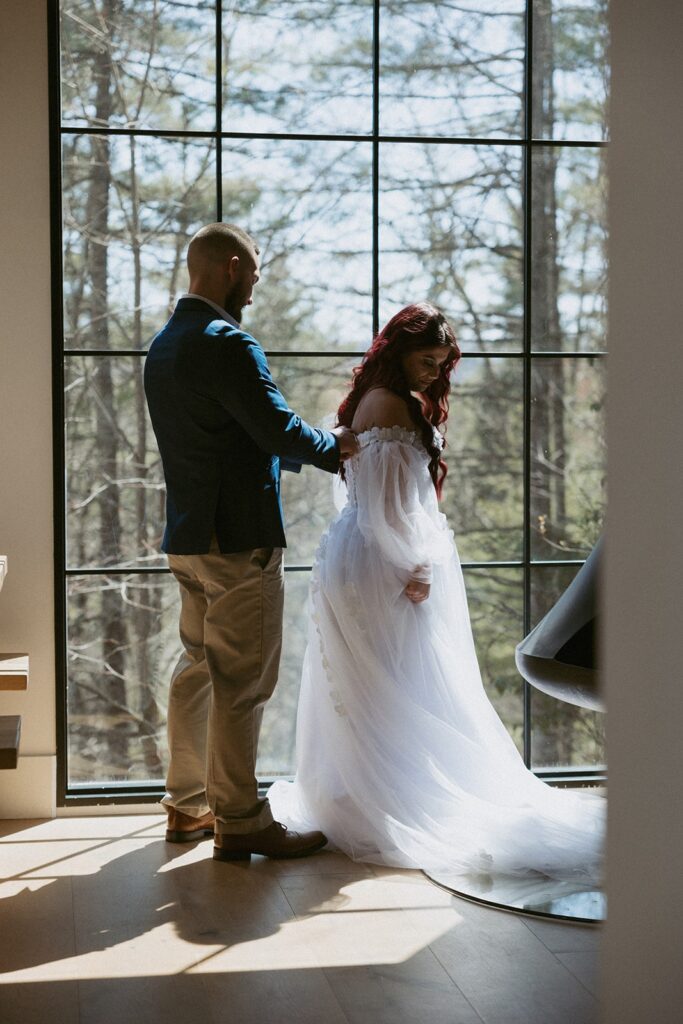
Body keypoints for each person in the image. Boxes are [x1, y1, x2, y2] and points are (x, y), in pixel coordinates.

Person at [268, 302, 605, 881]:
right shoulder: (394, 405)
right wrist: (416, 563)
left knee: (367, 681)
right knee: (405, 680)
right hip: (383, 559)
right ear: (398, 350)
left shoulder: (361, 401)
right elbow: (391, 505)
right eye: (427, 360)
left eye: (441, 363)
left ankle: (357, 797)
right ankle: (398, 801)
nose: (432, 372)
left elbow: (359, 497)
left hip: (351, 555)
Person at [144, 222, 358, 862]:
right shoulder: (227, 343)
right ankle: (239, 819)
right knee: (242, 682)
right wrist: (335, 447)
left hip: (188, 537)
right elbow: (275, 428)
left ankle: (187, 809)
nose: (256, 291)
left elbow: (225, 435)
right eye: (256, 276)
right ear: (233, 266)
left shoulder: (164, 344)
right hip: (238, 540)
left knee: (197, 674)